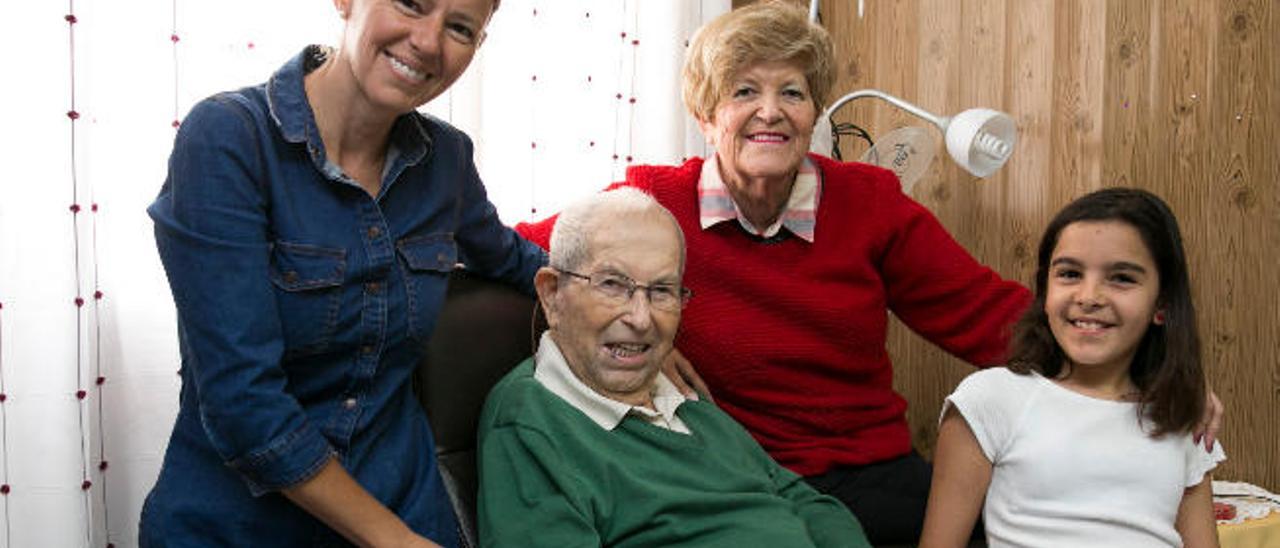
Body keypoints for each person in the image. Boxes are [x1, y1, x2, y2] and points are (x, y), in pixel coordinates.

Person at [513, 2, 1223, 544]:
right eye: (742, 92)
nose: (770, 111)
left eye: (791, 92)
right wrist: (652, 340)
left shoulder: (868, 203)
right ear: (705, 115)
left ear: (815, 111)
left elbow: (992, 315)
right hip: (735, 473)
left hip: (873, 472)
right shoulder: (649, 207)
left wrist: (1161, 371)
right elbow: (525, 254)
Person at [140, 0, 544, 546]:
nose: (428, 42)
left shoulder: (447, 158)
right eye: (412, 4)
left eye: (460, 28)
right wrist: (396, 541)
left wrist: (638, 309)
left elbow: (515, 260)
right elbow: (243, 403)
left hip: (402, 499)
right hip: (240, 523)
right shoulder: (227, 138)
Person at [478, 188, 871, 548]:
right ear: (551, 295)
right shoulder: (531, 422)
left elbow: (800, 498)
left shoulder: (683, 399)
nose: (641, 318)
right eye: (613, 284)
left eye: (662, 291)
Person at [920, 188, 1225, 547]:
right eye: (1069, 274)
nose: (1089, 297)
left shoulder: (1181, 416)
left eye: (1122, 278)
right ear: (1044, 291)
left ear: (1162, 305)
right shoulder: (990, 399)